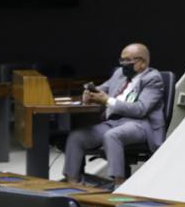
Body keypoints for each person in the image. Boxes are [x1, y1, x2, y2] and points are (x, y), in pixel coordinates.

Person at [63, 43, 166, 189]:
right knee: (77, 136)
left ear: (142, 62)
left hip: (139, 124)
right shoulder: (119, 74)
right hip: (113, 121)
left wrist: (108, 101)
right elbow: (103, 89)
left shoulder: (153, 79)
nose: (123, 64)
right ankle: (73, 183)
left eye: (128, 61)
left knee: (112, 135)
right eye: (122, 60)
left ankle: (119, 184)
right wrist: (90, 93)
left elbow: (141, 109)